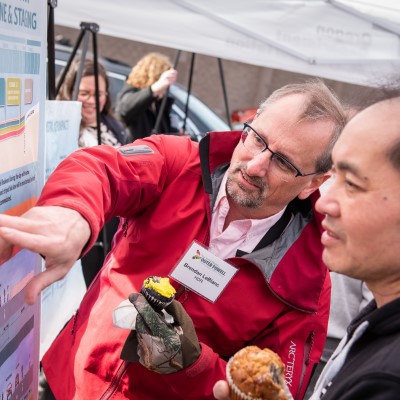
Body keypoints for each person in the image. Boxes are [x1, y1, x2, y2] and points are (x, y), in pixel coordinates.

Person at [0, 79, 347, 400]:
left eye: (283, 162)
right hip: (67, 383)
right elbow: (103, 169)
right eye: (258, 138)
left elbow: (270, 392)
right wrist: (73, 213)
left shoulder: (307, 284)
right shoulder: (182, 164)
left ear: (313, 184)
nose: (255, 166)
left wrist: (192, 364)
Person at [214, 94, 400, 400]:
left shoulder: (388, 378)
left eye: (351, 184)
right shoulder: (378, 324)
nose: (324, 202)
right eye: (257, 139)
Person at [57, 57, 129, 287]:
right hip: (79, 225)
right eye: (84, 93)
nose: (92, 101)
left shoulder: (112, 126)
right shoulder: (60, 127)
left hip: (112, 226)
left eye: (99, 94)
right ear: (69, 90)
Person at [115, 52, 179, 140]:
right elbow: (124, 110)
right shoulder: (133, 93)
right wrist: (154, 90)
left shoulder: (159, 103)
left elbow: (164, 133)